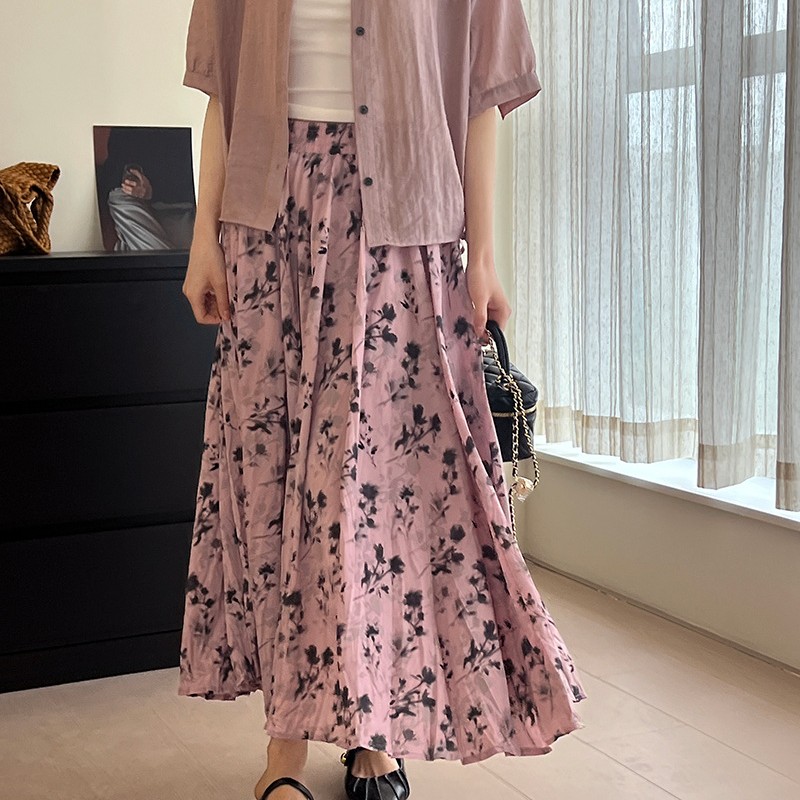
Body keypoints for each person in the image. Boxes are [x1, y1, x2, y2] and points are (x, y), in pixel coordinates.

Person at [177, 3, 588, 800]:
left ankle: (374, 733)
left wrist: (484, 255)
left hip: (402, 230)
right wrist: (202, 240)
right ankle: (285, 745)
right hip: (267, 225)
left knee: (377, 493)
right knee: (275, 482)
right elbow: (223, 90)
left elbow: (481, 93)